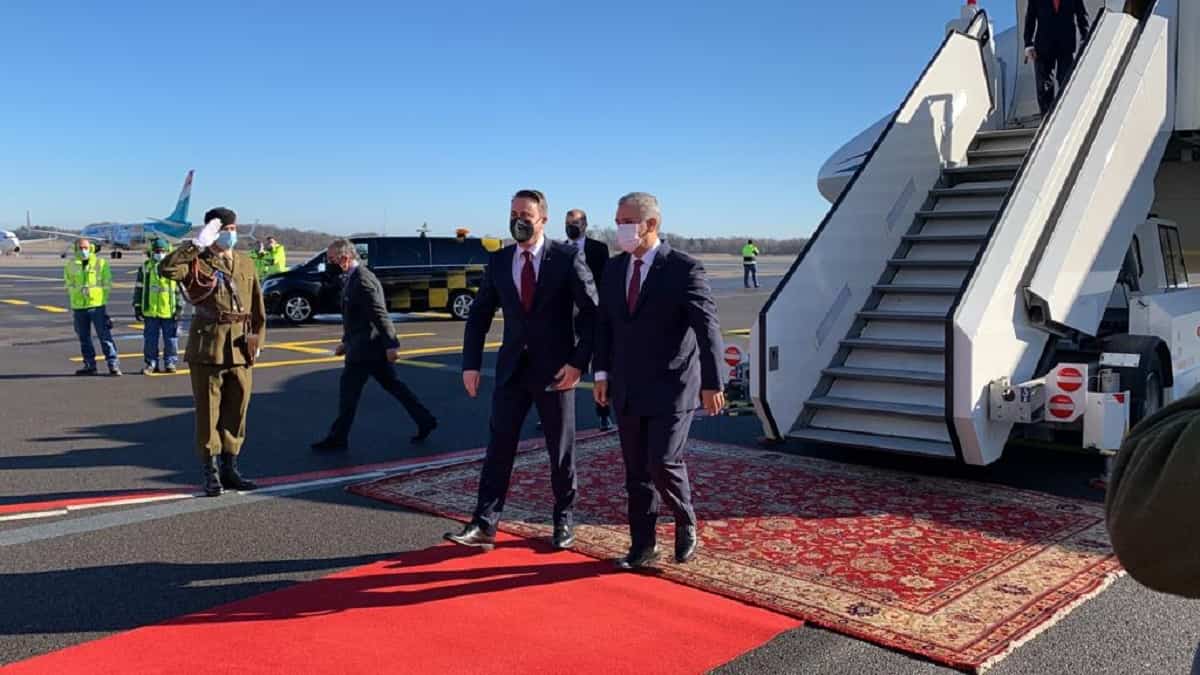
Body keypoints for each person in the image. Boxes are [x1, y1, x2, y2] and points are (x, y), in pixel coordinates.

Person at [445, 189, 598, 552]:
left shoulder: (565, 258)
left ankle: (563, 519)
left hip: (556, 371)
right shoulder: (499, 261)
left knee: (560, 450)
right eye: (513, 212)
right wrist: (471, 364)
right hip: (512, 369)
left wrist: (578, 363)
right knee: (499, 447)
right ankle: (484, 524)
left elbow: (594, 315)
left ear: (543, 219)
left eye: (526, 214)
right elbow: (480, 314)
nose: (518, 220)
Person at [594, 192, 725, 570]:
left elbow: (708, 328)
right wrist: (600, 373)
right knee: (635, 471)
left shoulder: (684, 268)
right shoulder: (615, 269)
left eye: (625, 221)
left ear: (650, 224)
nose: (619, 228)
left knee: (662, 461)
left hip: (673, 386)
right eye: (617, 220)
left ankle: (685, 520)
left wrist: (713, 383)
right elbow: (604, 325)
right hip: (627, 386)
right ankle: (643, 544)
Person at [158, 207, 266, 497]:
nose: (231, 234)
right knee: (208, 413)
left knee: (237, 411)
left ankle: (231, 468)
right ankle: (211, 472)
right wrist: (196, 244)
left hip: (241, 348)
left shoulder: (245, 262)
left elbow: (257, 307)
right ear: (212, 232)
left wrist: (257, 341)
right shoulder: (198, 261)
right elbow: (166, 269)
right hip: (208, 347)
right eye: (224, 230)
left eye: (233, 229)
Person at [311, 239, 437, 452]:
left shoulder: (362, 280)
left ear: (345, 258)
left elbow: (379, 313)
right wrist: (344, 341)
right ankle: (424, 419)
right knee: (393, 386)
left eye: (331, 259)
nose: (329, 263)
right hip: (363, 346)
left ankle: (337, 438)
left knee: (349, 394)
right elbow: (356, 317)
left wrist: (392, 344)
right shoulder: (351, 278)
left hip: (366, 349)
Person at [566, 208, 614, 431]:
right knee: (562, 365)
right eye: (568, 223)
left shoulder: (598, 249)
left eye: (575, 223)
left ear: (584, 224)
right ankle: (556, 412)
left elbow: (606, 281)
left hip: (594, 315)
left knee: (600, 366)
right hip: (568, 318)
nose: (571, 227)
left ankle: (603, 412)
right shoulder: (560, 250)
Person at [64, 238, 121, 376]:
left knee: (105, 336)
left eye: (86, 248)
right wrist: (78, 293)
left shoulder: (100, 263)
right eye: (81, 248)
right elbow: (68, 284)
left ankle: (113, 364)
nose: (83, 250)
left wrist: (98, 297)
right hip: (79, 307)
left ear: (91, 248)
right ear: (76, 249)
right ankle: (89, 365)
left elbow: (107, 284)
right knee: (84, 338)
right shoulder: (70, 265)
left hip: (96, 305)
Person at [1024, 0, 1090, 117]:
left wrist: (1085, 36)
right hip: (1043, 47)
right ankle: (1046, 118)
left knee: (1066, 80)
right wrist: (1028, 44)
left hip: (1066, 45)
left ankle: (1066, 116)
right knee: (1044, 86)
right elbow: (1030, 18)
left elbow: (1081, 14)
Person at [133, 238, 184, 374]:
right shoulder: (145, 268)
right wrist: (137, 306)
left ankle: (170, 363)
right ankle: (151, 363)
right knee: (150, 340)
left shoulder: (173, 268)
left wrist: (179, 308)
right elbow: (139, 288)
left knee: (171, 340)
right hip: (151, 311)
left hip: (169, 311)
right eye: (157, 251)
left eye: (162, 251)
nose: (159, 253)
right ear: (152, 251)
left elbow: (179, 289)